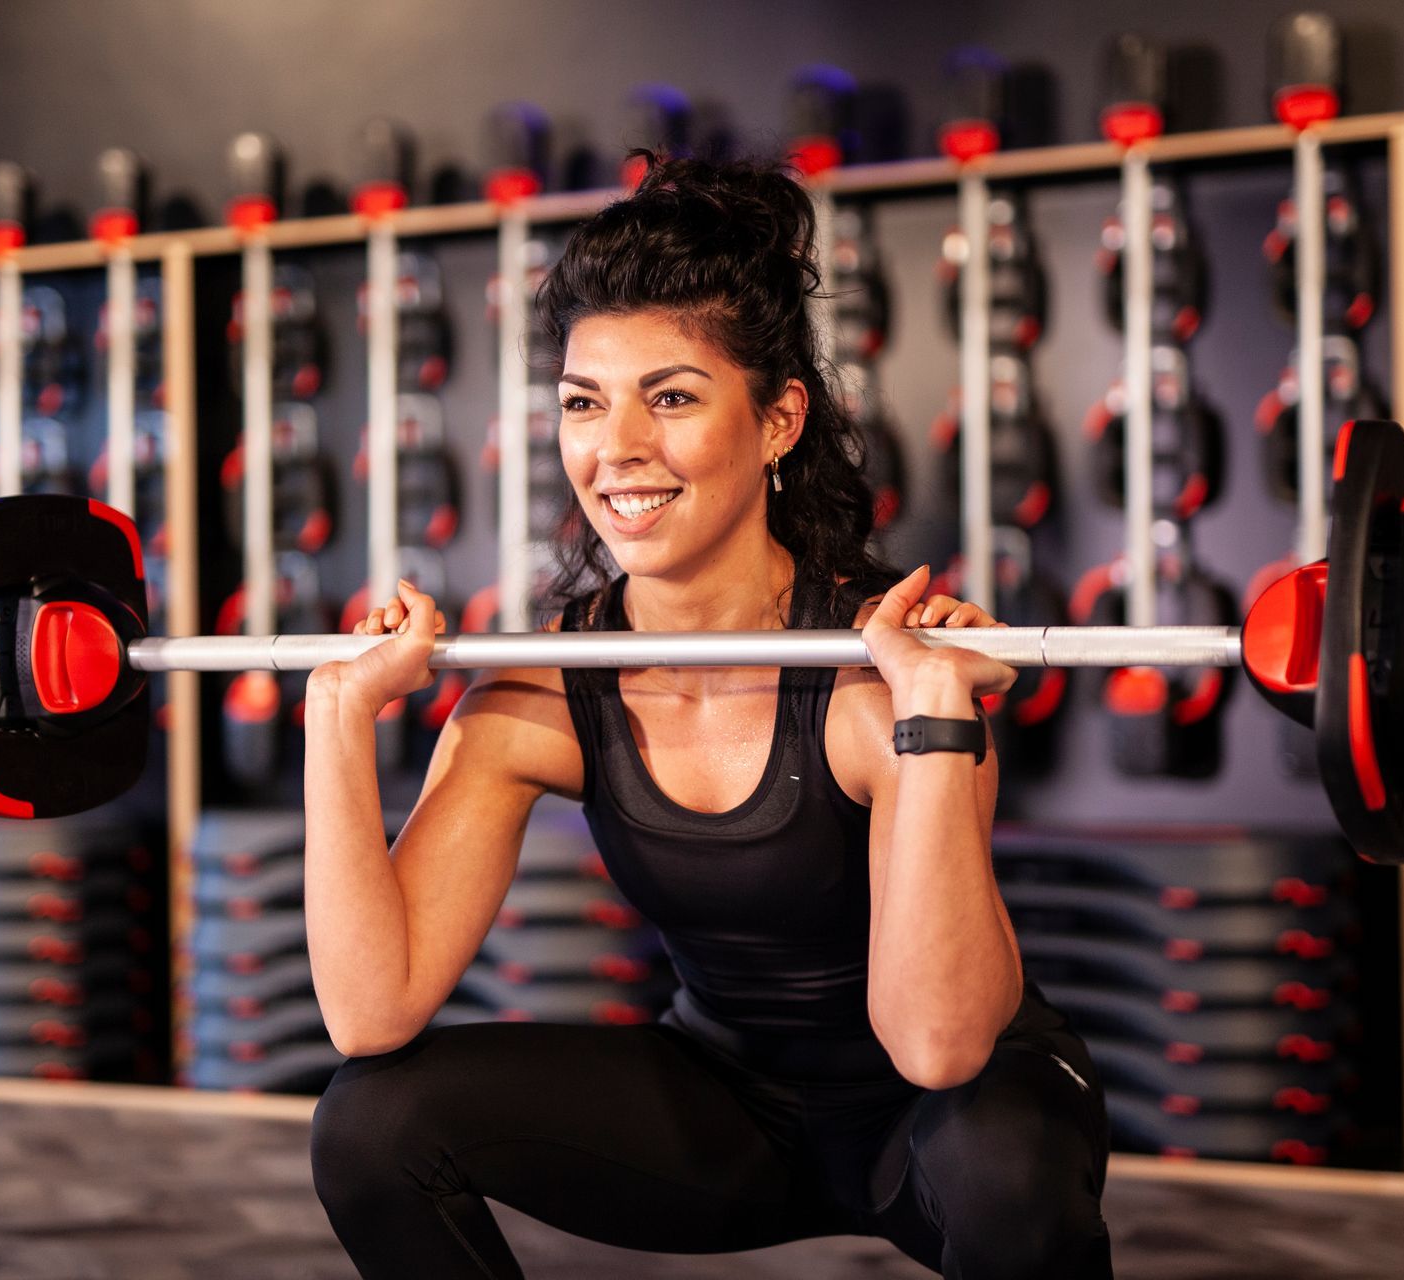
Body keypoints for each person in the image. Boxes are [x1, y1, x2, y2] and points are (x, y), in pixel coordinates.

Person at [306, 153, 1111, 1279]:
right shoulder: (542, 693)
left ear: (779, 419)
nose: (617, 448)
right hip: (726, 1110)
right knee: (369, 1123)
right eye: (584, 402)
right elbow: (371, 1011)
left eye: (673, 396)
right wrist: (337, 715)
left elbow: (938, 1046)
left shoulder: (879, 679)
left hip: (947, 1115)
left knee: (1007, 1167)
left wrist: (936, 716)